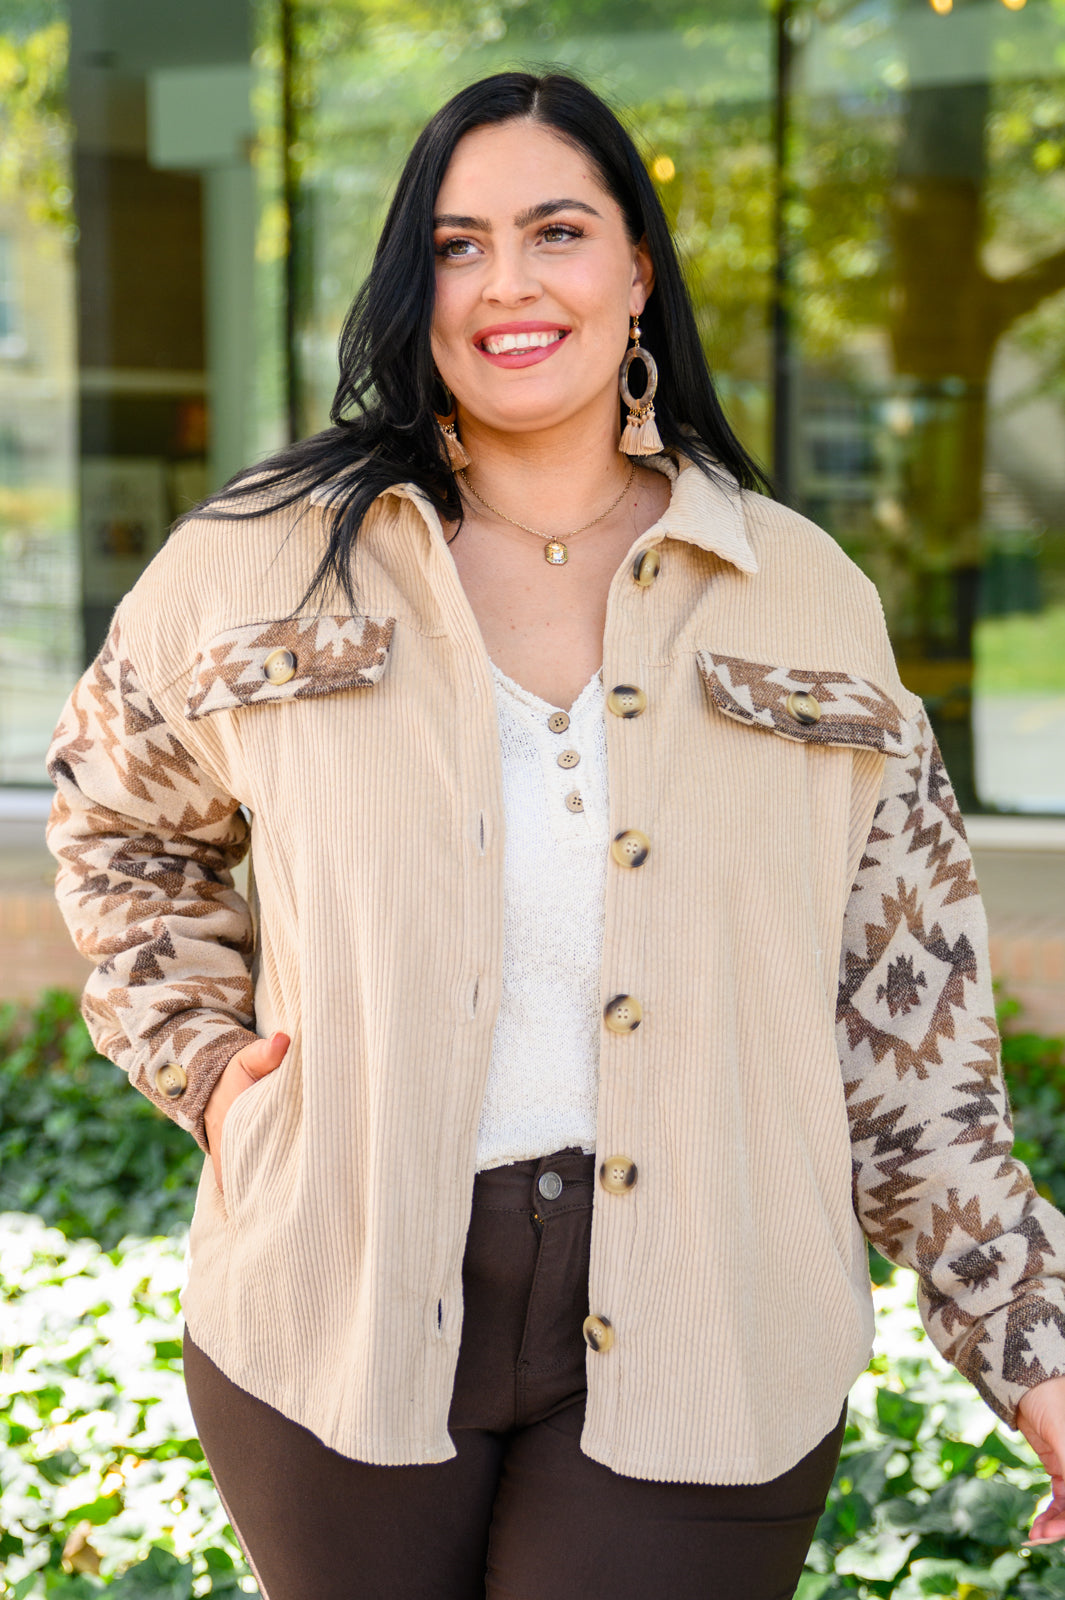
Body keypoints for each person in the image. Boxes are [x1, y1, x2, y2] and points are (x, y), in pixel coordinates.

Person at [45, 69, 1065, 1600]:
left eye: (556, 232)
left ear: (637, 270)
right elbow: (115, 819)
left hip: (716, 1323)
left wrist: (1036, 1354)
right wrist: (204, 1063)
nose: (506, 283)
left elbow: (908, 1034)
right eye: (455, 245)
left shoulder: (803, 596)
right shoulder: (257, 561)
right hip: (336, 1310)